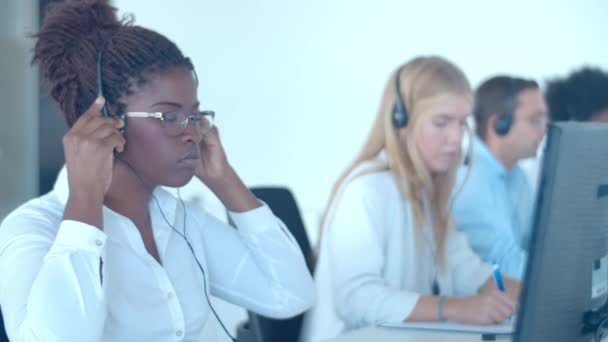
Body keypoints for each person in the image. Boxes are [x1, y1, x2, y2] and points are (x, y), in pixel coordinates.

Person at [0, 1, 314, 341]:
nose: (192, 132)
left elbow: (291, 295)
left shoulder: (179, 220)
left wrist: (225, 180)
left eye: (195, 116)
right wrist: (85, 198)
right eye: (168, 116)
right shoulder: (33, 229)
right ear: (105, 122)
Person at [299, 56, 520, 342]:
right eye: (442, 122)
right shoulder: (366, 190)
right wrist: (453, 308)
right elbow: (356, 299)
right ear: (401, 121)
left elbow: (466, 268)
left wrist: (537, 295)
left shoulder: (427, 190)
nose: (456, 137)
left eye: (462, 122)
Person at [451, 76, 548, 280]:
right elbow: (504, 265)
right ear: (498, 125)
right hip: (484, 300)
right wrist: (570, 277)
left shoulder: (516, 175)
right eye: (535, 120)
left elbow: (538, 245)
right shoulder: (471, 177)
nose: (544, 130)